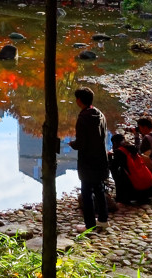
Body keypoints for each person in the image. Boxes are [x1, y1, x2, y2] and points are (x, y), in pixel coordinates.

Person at [68, 87, 109, 231]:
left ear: (79, 100)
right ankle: (103, 220)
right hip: (101, 158)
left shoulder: (83, 118)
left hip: (87, 161)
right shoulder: (100, 114)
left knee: (86, 192)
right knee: (99, 189)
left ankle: (90, 224)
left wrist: (72, 144)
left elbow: (81, 143)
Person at [108, 133, 152, 205]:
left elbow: (113, 167)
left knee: (118, 173)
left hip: (132, 181)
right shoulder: (132, 148)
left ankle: (122, 197)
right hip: (145, 178)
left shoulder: (119, 152)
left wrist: (110, 158)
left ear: (114, 143)